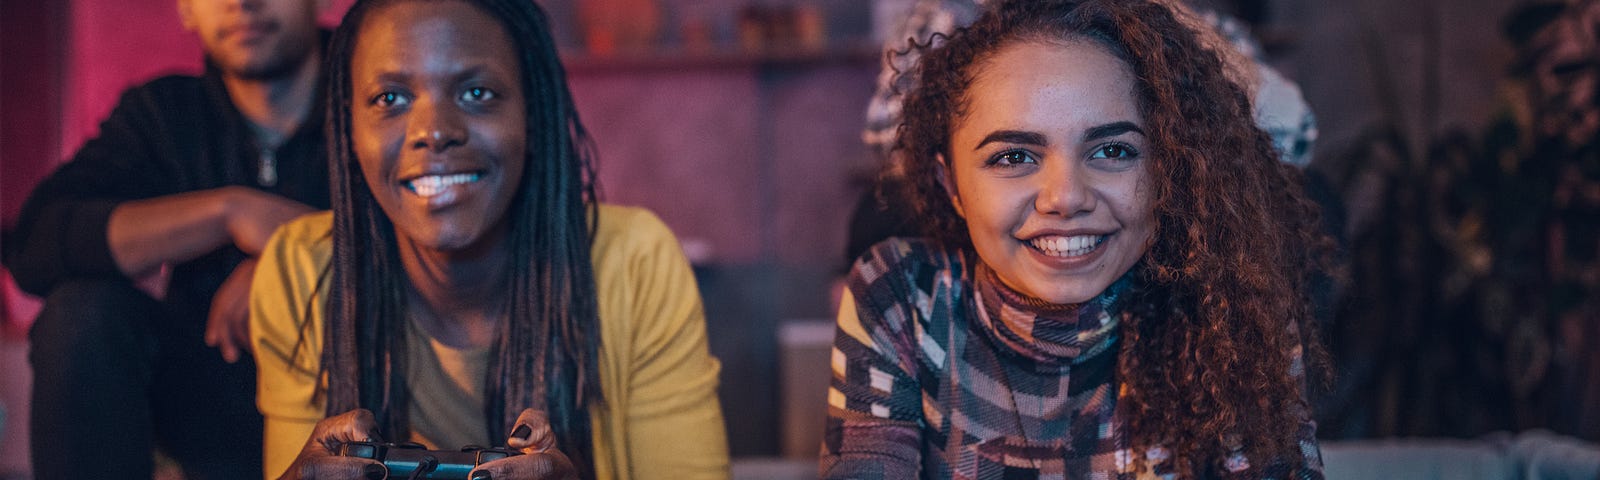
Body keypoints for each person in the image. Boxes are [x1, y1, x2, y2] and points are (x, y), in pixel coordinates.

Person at [822, 0, 1332, 478]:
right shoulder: (904, 299)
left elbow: (1296, 127)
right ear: (951, 186)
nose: (1065, 197)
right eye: (1013, 157)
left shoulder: (1230, 306)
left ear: (1168, 169)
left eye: (1112, 151)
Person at [248, 0, 729, 478]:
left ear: (533, 115)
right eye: (390, 99)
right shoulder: (303, 272)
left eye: (477, 93)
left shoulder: (635, 263)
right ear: (349, 128)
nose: (434, 131)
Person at [1, 0, 329, 477]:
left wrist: (293, 258)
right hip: (211, 395)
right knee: (81, 311)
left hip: (358, 386)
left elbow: (444, 223)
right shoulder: (164, 116)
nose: (242, 3)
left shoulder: (376, 87)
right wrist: (228, 210)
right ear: (186, 9)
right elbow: (34, 244)